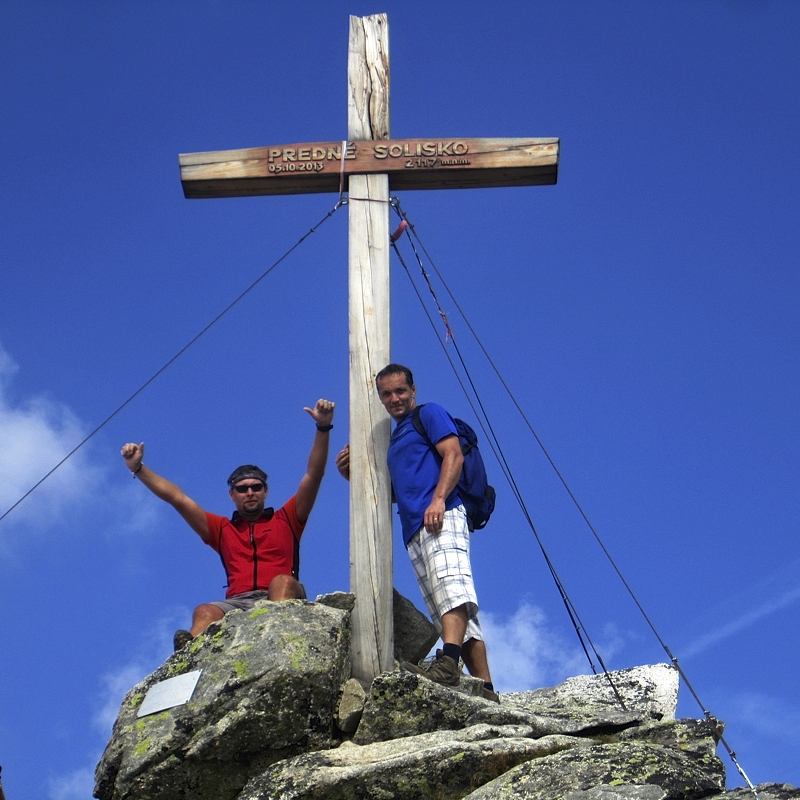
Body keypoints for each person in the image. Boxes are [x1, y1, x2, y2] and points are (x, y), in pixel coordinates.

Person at [335, 365, 498, 702]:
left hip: (444, 513)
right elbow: (398, 492)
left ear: (413, 389)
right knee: (445, 606)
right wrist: (353, 475)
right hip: (415, 528)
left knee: (453, 589)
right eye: (387, 394)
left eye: (400, 391)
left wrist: (439, 499)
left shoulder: (430, 414)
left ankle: (448, 664)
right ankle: (486, 689)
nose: (394, 398)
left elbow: (452, 454)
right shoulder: (395, 438)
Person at [121, 399, 335, 651]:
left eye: (256, 487)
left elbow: (313, 475)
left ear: (265, 491)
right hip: (237, 602)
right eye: (242, 489)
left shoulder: (287, 518)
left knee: (283, 581)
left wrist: (323, 427)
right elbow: (177, 499)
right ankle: (188, 655)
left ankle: (277, 640)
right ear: (232, 495)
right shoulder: (222, 529)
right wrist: (138, 468)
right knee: (204, 611)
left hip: (279, 595)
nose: (250, 493)